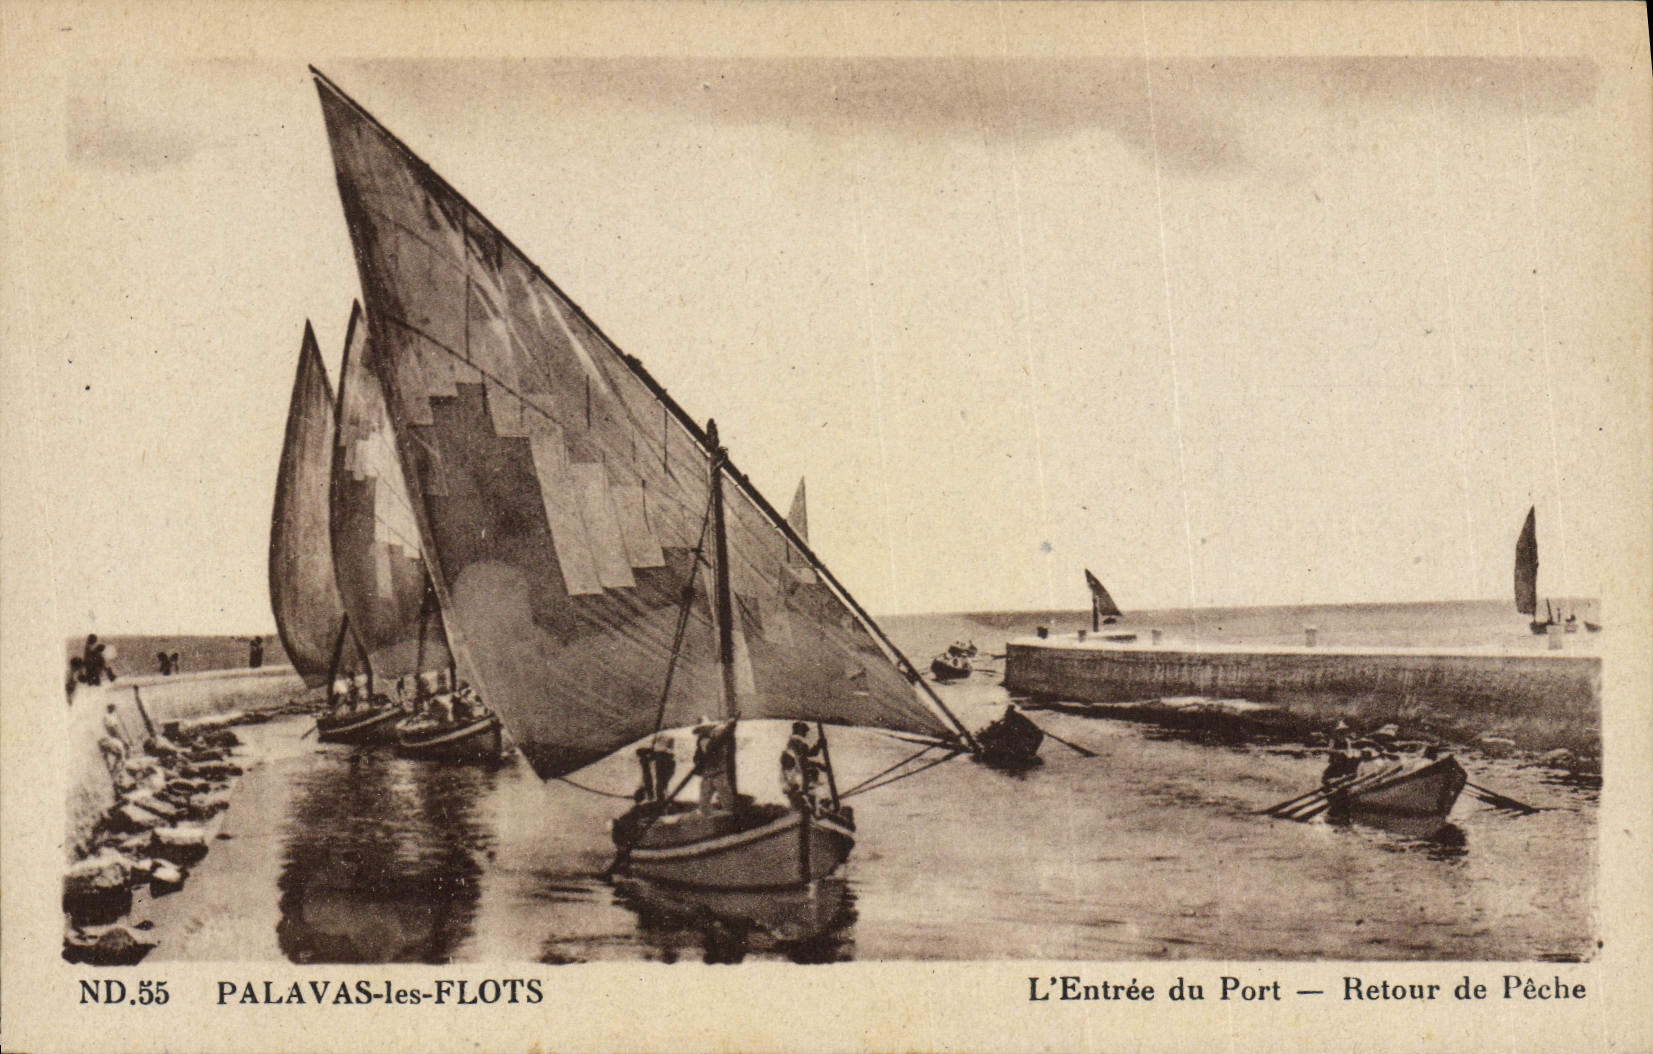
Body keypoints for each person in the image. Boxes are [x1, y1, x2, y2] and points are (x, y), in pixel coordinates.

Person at [693, 719, 736, 813]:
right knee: (704, 802)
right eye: (702, 730)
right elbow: (710, 748)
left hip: (717, 774)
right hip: (710, 775)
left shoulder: (716, 740)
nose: (704, 731)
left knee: (726, 801)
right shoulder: (704, 741)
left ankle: (726, 816)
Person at [781, 722, 826, 810]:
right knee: (805, 787)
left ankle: (807, 804)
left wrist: (818, 746)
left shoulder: (792, 742)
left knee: (803, 788)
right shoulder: (797, 740)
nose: (806, 734)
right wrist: (819, 745)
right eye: (804, 732)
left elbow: (805, 757)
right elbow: (809, 754)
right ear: (799, 731)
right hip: (795, 773)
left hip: (792, 774)